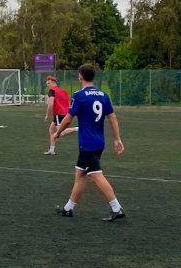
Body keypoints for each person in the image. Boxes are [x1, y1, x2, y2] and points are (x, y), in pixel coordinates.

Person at [52, 64, 125, 221]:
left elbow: (68, 118)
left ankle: (116, 208)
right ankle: (68, 208)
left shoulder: (79, 96)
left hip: (88, 144)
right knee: (80, 173)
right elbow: (112, 117)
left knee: (96, 175)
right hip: (99, 142)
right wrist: (117, 138)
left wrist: (58, 132)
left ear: (80, 76)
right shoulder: (103, 95)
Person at [44, 75, 72, 155]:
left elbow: (51, 104)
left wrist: (47, 115)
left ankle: (78, 129)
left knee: (60, 132)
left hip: (59, 113)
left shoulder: (52, 91)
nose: (47, 85)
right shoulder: (63, 91)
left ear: (53, 83)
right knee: (51, 130)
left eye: (48, 83)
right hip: (65, 113)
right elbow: (69, 102)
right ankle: (52, 150)